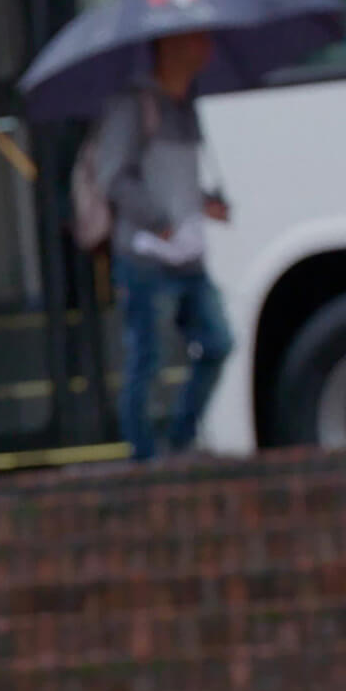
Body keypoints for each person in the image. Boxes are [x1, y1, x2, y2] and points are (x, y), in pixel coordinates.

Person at [93, 30, 233, 461]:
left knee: (217, 342)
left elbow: (177, 180)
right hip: (145, 255)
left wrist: (207, 201)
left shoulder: (186, 103)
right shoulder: (134, 104)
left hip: (188, 255)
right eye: (195, 40)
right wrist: (160, 221)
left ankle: (180, 437)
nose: (207, 48)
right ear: (168, 47)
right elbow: (113, 176)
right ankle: (144, 456)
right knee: (146, 358)